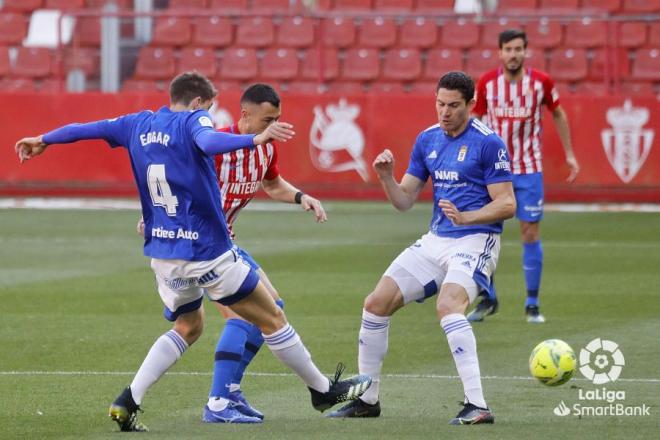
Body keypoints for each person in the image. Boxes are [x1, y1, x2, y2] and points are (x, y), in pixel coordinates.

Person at [15, 72, 371, 432]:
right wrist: (253, 137)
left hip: (165, 255)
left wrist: (44, 139)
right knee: (272, 317)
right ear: (199, 103)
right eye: (210, 106)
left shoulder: (136, 123)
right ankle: (319, 391)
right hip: (207, 251)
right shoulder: (195, 121)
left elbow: (86, 128)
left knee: (190, 325)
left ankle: (129, 399)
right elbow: (208, 140)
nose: (211, 112)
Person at [327, 71, 515, 425]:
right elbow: (404, 200)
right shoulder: (427, 139)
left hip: (476, 240)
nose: (445, 112)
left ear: (471, 105)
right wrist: (386, 177)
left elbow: (507, 204)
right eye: (440, 104)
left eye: (453, 106)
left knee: (448, 306)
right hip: (436, 240)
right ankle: (367, 400)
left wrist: (467, 217)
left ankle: (477, 405)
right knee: (375, 304)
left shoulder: (489, 143)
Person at [137, 83, 328, 423]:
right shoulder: (213, 143)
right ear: (245, 115)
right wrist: (154, 216)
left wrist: (302, 197)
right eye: (267, 119)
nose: (273, 126)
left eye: (277, 119)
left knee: (271, 308)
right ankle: (219, 402)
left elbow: (271, 183)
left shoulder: (266, 148)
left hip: (225, 244)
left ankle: (229, 392)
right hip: (198, 247)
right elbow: (173, 178)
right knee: (241, 316)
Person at [469, 29, 579, 324]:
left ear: (525, 52)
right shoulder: (487, 84)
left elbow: (558, 112)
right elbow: (475, 121)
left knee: (530, 231)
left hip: (529, 168)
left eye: (518, 49)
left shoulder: (541, 83)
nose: (513, 54)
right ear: (500, 52)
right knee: (483, 234)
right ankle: (487, 297)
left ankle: (532, 303)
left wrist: (569, 152)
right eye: (508, 49)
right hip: (493, 171)